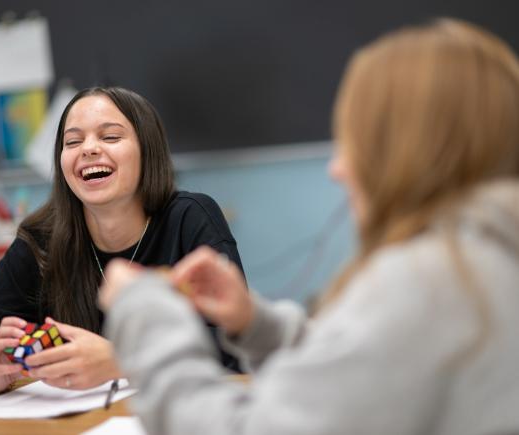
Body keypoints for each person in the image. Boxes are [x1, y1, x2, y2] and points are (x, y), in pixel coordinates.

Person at [99, 18, 519, 435]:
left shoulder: (430, 281)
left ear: (405, 151)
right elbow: (367, 369)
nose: (338, 169)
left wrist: (143, 315)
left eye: (355, 142)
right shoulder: (485, 262)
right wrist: (256, 326)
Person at [0, 86, 244, 394]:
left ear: (147, 150)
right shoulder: (42, 240)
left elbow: (235, 340)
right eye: (73, 141)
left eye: (110, 137)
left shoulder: (190, 218)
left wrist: (121, 360)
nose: (88, 149)